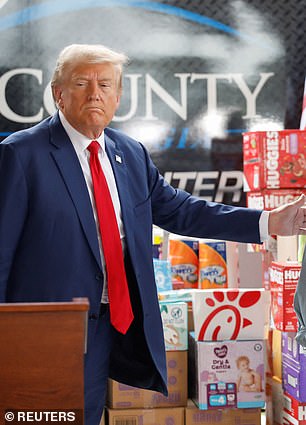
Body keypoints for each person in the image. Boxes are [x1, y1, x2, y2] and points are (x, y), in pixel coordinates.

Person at [0, 43, 305, 425]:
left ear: (119, 96)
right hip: (47, 334)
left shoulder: (129, 153)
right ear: (58, 94)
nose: (96, 93)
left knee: (86, 417)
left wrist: (267, 222)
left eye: (106, 85)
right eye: (82, 83)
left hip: (110, 326)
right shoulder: (21, 154)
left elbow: (180, 210)